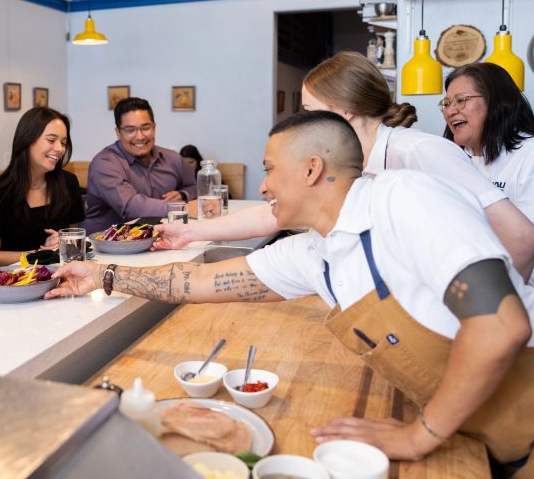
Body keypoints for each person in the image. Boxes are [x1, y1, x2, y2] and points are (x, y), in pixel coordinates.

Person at [48, 111, 534, 473]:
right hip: (472, 429)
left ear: (310, 169)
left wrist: (419, 435)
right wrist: (104, 275)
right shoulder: (312, 251)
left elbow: (499, 326)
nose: (262, 187)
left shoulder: (405, 198)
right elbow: (196, 281)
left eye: (269, 169)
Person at [154, 52, 534, 279]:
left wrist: (494, 324)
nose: (303, 124)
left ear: (345, 111)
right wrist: (192, 232)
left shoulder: (419, 152)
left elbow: (520, 239)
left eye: (310, 112)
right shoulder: (349, 164)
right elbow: (276, 216)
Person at [0, 107, 84, 268]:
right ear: (27, 140)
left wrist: (63, 242)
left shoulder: (69, 183)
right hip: (14, 283)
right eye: (51, 140)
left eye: (63, 142)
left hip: (60, 277)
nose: (60, 148)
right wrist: (41, 255)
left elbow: (73, 239)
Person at [83, 97, 197, 233]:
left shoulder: (172, 158)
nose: (140, 136)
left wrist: (183, 195)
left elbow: (194, 186)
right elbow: (130, 206)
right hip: (104, 246)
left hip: (156, 240)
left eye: (145, 127)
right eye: (130, 130)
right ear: (118, 133)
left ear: (154, 128)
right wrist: (182, 208)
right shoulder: (104, 163)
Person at [442, 62, 534, 225]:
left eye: (461, 100)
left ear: (495, 102)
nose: (449, 111)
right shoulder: (451, 158)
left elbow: (527, 239)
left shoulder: (529, 154)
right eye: (447, 103)